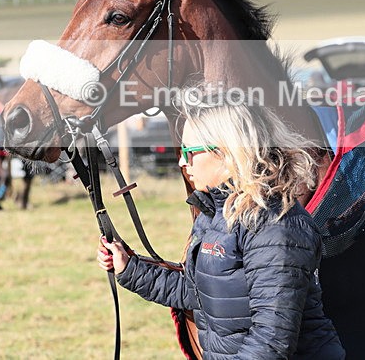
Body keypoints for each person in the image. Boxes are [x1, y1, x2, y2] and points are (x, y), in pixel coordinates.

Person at [97, 89, 345, 359]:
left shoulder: (276, 227)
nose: (181, 161)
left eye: (188, 151)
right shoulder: (215, 213)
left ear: (227, 154)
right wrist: (130, 268)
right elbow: (200, 293)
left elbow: (271, 341)